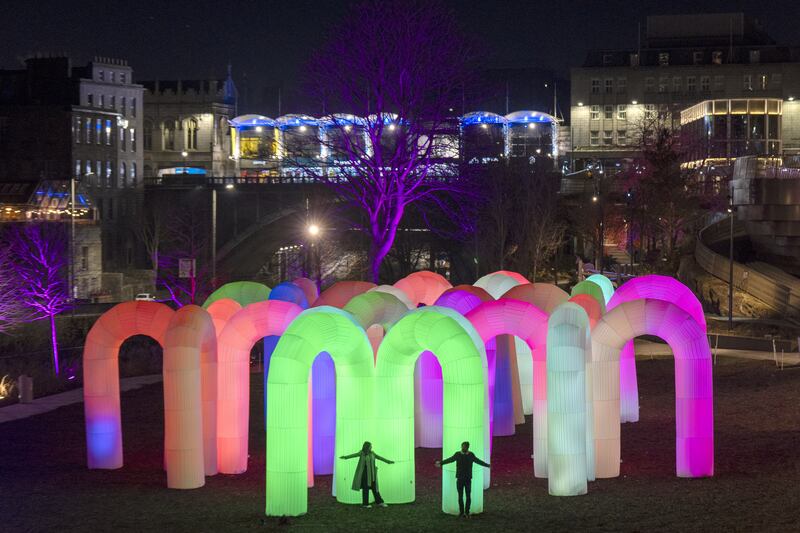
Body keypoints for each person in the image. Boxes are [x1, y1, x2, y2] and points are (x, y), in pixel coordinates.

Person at [435, 441, 490, 517]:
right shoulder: (458, 454)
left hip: (467, 479)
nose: (464, 448)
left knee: (468, 496)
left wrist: (487, 465)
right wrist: (441, 463)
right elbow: (450, 459)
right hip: (460, 478)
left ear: (468, 447)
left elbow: (478, 461)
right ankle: (462, 512)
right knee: (460, 496)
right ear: (461, 446)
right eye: (463, 446)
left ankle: (466, 512)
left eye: (465, 447)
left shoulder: (470, 455)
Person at [340, 441, 394, 508]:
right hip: (365, 475)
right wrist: (345, 457)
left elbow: (380, 458)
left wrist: (388, 462)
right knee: (366, 488)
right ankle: (365, 504)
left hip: (372, 475)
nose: (371, 447)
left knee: (375, 488)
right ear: (367, 447)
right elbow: (353, 455)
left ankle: (380, 502)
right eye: (370, 446)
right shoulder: (362, 453)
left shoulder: (373, 453)